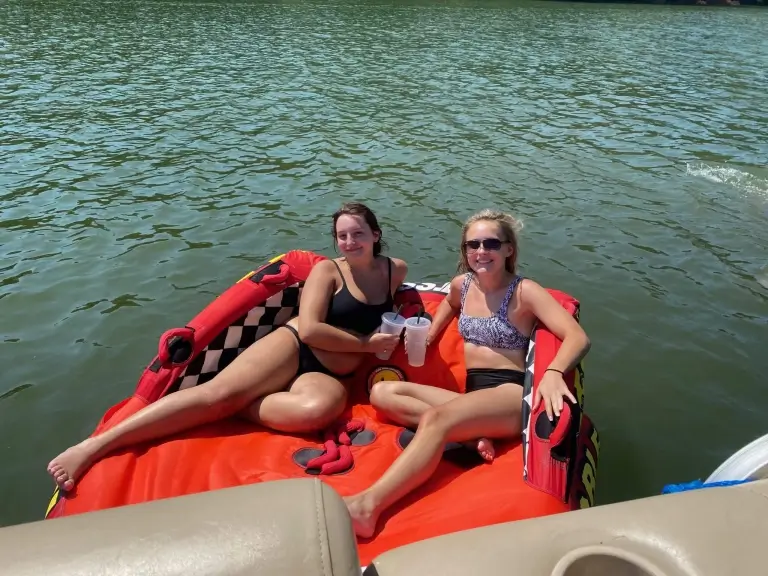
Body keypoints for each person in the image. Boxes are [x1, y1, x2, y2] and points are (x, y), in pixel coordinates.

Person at [47, 202, 408, 491]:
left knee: (317, 413)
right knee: (215, 394)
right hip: (296, 346)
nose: (349, 242)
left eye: (357, 234)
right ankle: (93, 447)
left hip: (331, 373)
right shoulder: (328, 271)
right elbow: (312, 330)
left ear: (375, 235)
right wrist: (366, 345)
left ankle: (241, 405)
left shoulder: (395, 271)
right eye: (341, 236)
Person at [344, 208, 591, 538]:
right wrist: (430, 336)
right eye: (472, 245)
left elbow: (578, 337)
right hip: (474, 398)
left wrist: (554, 372)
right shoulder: (463, 285)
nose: (481, 252)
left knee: (437, 420)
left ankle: (367, 507)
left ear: (508, 249)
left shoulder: (524, 292)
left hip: (510, 396)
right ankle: (473, 435)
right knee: (382, 393)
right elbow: (449, 304)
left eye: (491, 243)